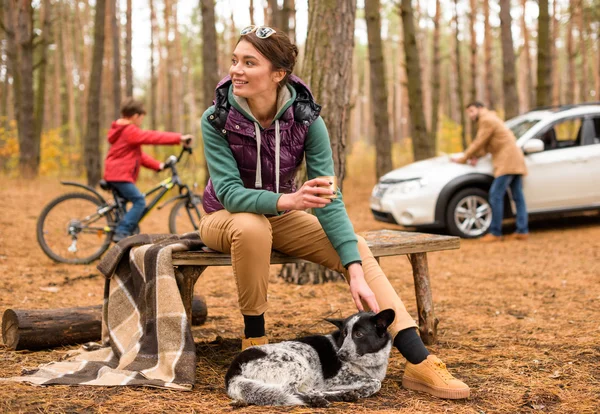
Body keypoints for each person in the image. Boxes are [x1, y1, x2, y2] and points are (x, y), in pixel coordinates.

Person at [199, 26, 470, 400]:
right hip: (223, 218)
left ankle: (419, 359)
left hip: (282, 216)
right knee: (251, 227)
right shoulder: (217, 118)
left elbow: (328, 197)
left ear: (278, 74)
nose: (236, 70)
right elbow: (229, 194)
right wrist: (289, 201)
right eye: (234, 61)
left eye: (249, 62)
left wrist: (353, 270)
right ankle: (254, 339)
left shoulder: (307, 119)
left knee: (355, 245)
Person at [104, 98, 193, 242]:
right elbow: (152, 137)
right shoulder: (129, 130)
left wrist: (158, 166)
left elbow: (139, 157)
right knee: (139, 201)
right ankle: (122, 232)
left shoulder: (123, 131)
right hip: (119, 176)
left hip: (116, 174)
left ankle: (123, 236)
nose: (141, 121)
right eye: (141, 118)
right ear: (135, 116)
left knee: (126, 207)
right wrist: (179, 138)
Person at [452, 102, 529, 242]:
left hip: (507, 161)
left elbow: (479, 142)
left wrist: (464, 158)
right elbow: (488, 145)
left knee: (495, 195)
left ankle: (495, 232)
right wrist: (476, 156)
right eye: (468, 112)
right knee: (518, 196)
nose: (470, 115)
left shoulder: (486, 120)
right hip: (514, 159)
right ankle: (522, 230)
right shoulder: (491, 118)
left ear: (480, 108)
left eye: (472, 111)